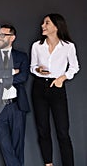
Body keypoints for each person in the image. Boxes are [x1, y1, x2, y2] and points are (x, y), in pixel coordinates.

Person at [30, 13, 79, 166]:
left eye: (47, 23)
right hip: (39, 88)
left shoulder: (68, 46)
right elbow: (32, 67)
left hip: (57, 88)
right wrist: (39, 70)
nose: (42, 26)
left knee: (63, 132)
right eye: (43, 23)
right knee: (43, 129)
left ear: (57, 26)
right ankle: (48, 164)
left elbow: (74, 67)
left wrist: (61, 79)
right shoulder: (37, 46)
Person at [0, 24, 30, 166]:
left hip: (17, 106)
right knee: (5, 146)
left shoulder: (21, 56)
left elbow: (23, 77)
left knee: (18, 145)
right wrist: (11, 72)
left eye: (3, 35)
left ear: (12, 38)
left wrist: (0, 77)